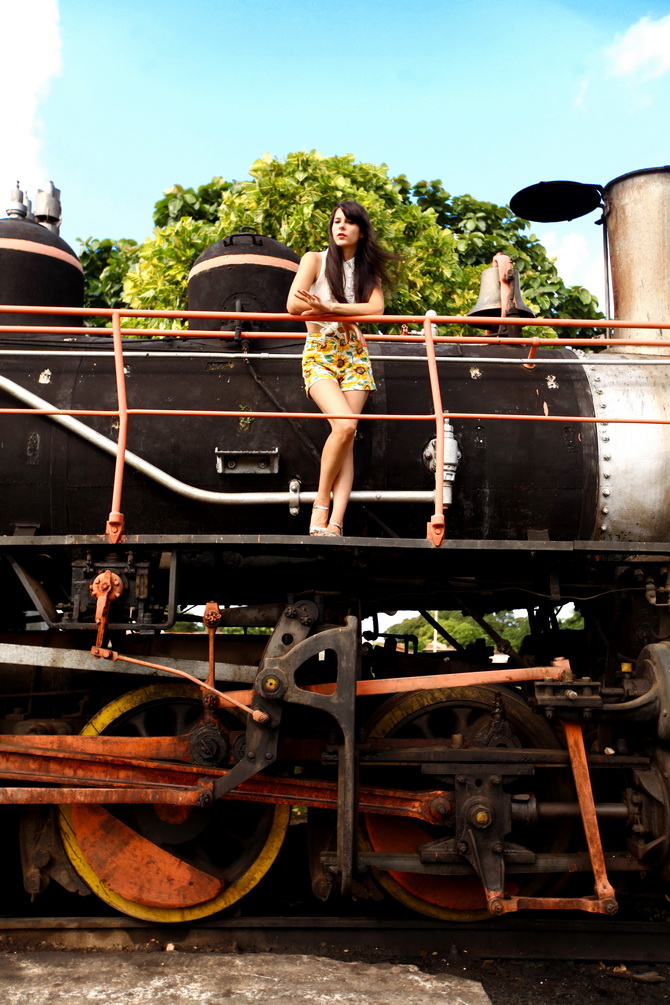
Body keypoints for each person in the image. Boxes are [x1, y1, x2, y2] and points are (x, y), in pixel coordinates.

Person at [286, 201, 394, 537]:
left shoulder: (366, 269)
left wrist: (331, 307)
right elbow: (292, 304)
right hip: (320, 351)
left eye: (348, 222)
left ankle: (336, 522)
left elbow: (376, 309)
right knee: (345, 426)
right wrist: (331, 312)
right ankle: (321, 504)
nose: (340, 227)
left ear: (361, 230)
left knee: (346, 436)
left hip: (355, 354)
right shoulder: (314, 260)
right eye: (336, 221)